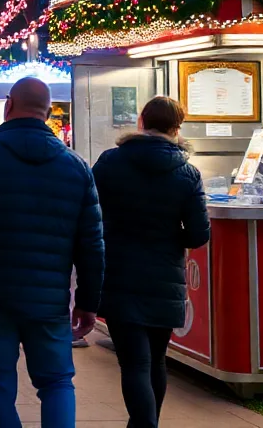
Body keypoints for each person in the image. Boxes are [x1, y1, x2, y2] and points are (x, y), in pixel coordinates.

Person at [0, 77, 104, 428]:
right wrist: (89, 303)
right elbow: (91, 244)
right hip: (48, 301)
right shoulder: (75, 167)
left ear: (8, 105)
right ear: (47, 112)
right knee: (57, 381)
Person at [93, 96, 210, 428]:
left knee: (133, 364)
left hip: (118, 273)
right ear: (177, 127)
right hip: (165, 278)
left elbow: (88, 214)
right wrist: (171, 237)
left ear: (141, 121)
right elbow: (199, 234)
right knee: (157, 360)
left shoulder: (110, 163)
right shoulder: (188, 173)